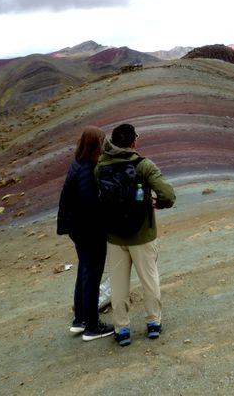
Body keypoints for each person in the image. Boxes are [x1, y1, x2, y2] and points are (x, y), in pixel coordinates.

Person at [97, 123, 176, 347]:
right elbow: (168, 195)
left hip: (114, 237)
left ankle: (122, 330)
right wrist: (159, 203)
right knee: (149, 280)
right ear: (133, 142)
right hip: (142, 236)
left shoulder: (100, 167)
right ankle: (153, 324)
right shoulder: (143, 166)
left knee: (119, 285)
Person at [56, 126, 115, 341]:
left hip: (76, 227)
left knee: (85, 269)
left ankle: (80, 319)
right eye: (101, 141)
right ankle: (92, 325)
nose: (104, 144)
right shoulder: (86, 170)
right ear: (94, 145)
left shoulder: (78, 164)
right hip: (87, 229)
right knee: (92, 272)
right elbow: (91, 204)